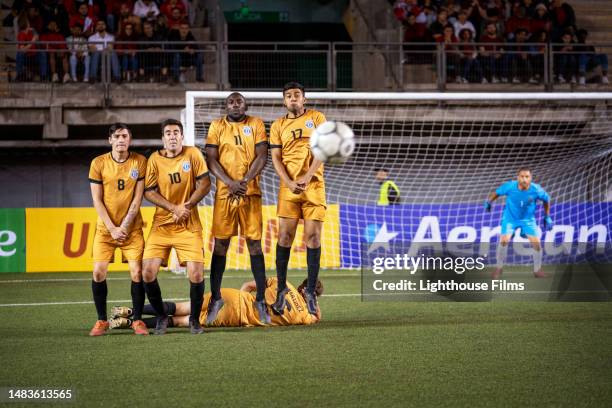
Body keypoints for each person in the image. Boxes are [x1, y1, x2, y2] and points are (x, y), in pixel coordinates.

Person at [204, 92, 270, 325]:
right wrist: (230, 183)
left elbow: (263, 155)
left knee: (254, 243)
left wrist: (244, 181)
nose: (235, 105)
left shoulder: (256, 124)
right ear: (226, 106)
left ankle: (261, 298)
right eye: (231, 102)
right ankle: (216, 297)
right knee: (220, 243)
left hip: (250, 194)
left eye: (238, 101)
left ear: (245, 105)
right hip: (225, 194)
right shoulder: (216, 126)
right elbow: (211, 159)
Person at [142, 119, 211, 335]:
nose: (172, 136)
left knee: (197, 275)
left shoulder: (193, 155)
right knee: (147, 273)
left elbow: (205, 183)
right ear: (163, 139)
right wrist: (174, 208)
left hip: (189, 225)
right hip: (162, 225)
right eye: (168, 133)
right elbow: (149, 191)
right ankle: (162, 316)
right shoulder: (154, 159)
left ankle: (194, 321)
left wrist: (186, 206)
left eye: (176, 133)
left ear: (182, 136)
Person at [269, 82, 327, 316]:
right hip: (289, 189)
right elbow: (275, 158)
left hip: (314, 186)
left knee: (313, 238)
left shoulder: (318, 117)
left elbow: (323, 149)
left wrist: (307, 175)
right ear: (284, 101)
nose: (293, 98)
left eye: (297, 95)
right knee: (284, 236)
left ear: (304, 98)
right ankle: (281, 290)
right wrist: (290, 182)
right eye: (288, 96)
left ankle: (310, 291)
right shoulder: (277, 126)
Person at [87, 123, 148, 336]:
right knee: (98, 272)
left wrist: (124, 226)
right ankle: (102, 321)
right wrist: (113, 228)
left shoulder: (140, 161)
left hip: (132, 230)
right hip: (106, 231)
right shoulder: (98, 163)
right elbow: (97, 200)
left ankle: (138, 321)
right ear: (110, 140)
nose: (121, 140)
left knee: (137, 272)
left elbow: (138, 198)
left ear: (130, 139)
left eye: (125, 136)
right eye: (117, 136)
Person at [109, 277, 323, 330]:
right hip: (235, 316)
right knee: (181, 321)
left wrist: (241, 298)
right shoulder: (304, 315)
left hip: (232, 297)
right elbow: (317, 318)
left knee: (184, 306)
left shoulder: (283, 281)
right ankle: (127, 324)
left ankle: (130, 311)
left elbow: (250, 284)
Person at [484, 167, 553, 279]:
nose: (524, 179)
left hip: (528, 220)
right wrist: (489, 201)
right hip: (510, 219)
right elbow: (496, 193)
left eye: (527, 177)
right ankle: (498, 268)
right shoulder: (510, 186)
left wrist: (547, 216)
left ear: (531, 178)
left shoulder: (536, 189)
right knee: (504, 240)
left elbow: (547, 200)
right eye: (522, 176)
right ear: (518, 177)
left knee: (536, 244)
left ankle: (537, 270)